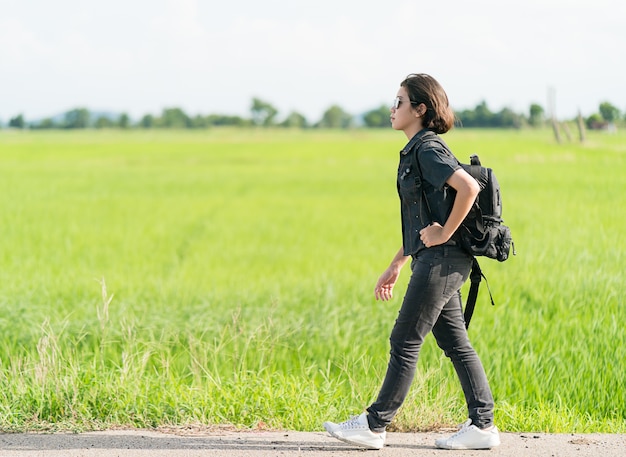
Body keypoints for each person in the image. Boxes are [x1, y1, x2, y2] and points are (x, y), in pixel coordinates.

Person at [323, 73, 500, 450]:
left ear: (420, 109)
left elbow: (470, 188)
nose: (393, 108)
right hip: (435, 258)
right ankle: (483, 426)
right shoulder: (417, 149)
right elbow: (424, 218)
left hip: (444, 259)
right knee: (454, 341)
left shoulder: (427, 149)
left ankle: (373, 425)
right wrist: (397, 263)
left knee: (404, 339)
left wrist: (445, 234)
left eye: (400, 102)